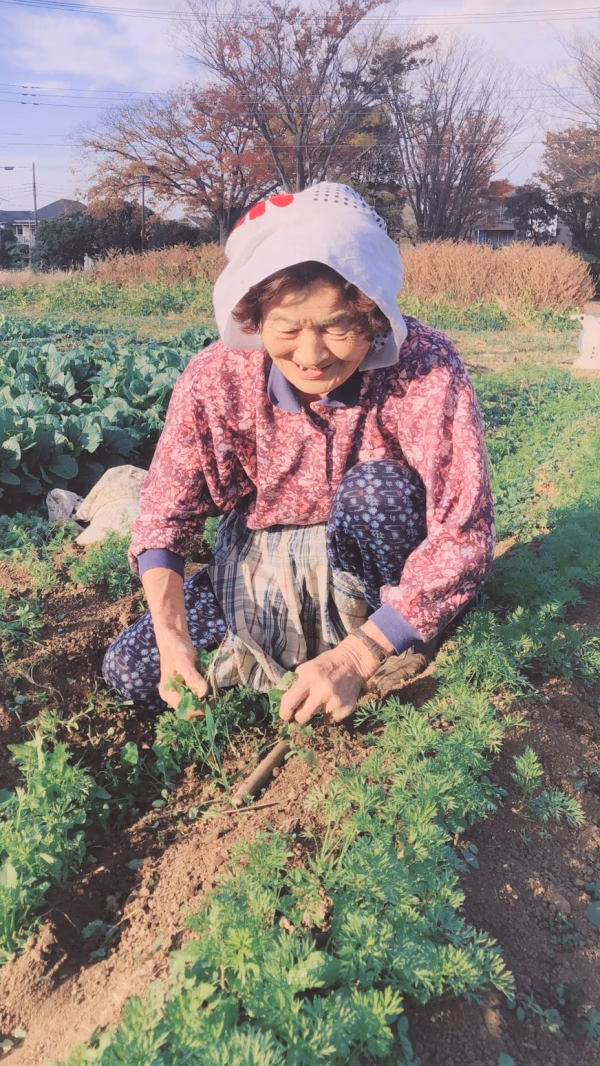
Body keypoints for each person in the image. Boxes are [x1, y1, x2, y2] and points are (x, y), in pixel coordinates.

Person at [103, 183, 495, 725]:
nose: (310, 357)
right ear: (255, 317)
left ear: (373, 316)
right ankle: (301, 664)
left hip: (367, 560)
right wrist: (173, 639)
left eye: (337, 327)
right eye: (287, 329)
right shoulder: (217, 378)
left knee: (378, 494)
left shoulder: (423, 367)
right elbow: (163, 519)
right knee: (131, 670)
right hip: (258, 560)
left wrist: (359, 653)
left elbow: (464, 531)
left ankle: (389, 641)